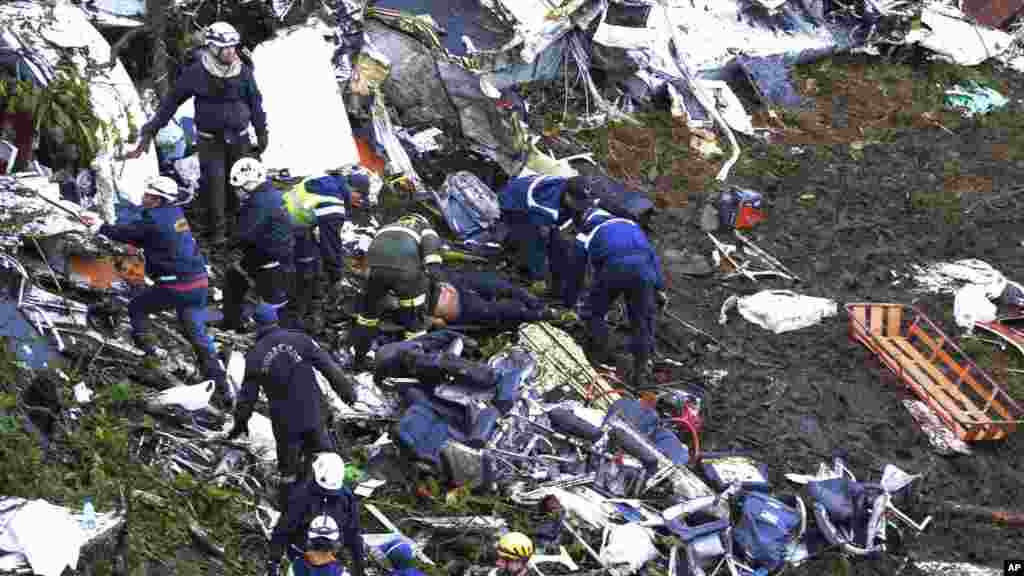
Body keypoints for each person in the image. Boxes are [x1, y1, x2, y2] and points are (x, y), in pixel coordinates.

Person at [125, 21, 268, 245]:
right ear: (212, 47)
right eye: (225, 48)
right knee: (215, 184)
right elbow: (171, 103)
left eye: (233, 47)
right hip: (210, 141)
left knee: (241, 183)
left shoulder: (243, 71)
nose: (231, 52)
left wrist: (261, 132)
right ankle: (218, 233)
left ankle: (240, 230)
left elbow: (255, 103)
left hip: (239, 138)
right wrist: (151, 130)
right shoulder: (197, 73)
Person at [79, 176, 225, 389]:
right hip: (199, 283)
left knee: (137, 307)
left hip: (176, 286)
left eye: (148, 195)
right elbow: (144, 236)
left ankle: (150, 353)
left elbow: (128, 233)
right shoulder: (175, 213)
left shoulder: (154, 221)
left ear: (158, 200)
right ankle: (220, 383)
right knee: (197, 334)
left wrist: (100, 226)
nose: (143, 197)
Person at [227, 304, 356, 507]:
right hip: (314, 413)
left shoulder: (255, 355)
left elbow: (247, 397)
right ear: (276, 320)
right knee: (327, 457)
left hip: (286, 424)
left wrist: (240, 424)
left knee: (288, 471)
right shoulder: (300, 340)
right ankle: (340, 501)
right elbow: (329, 367)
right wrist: (347, 392)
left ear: (255, 325)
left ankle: (288, 508)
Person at [565, 206, 668, 389]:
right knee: (641, 322)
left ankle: (601, 354)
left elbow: (576, 272)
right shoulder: (631, 225)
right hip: (644, 271)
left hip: (614, 269)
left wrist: (569, 302)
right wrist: (659, 287)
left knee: (593, 313)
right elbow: (652, 256)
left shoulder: (587, 232)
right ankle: (641, 372)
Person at [347, 213, 442, 369]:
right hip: (406, 275)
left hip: (374, 272)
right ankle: (414, 366)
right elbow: (433, 267)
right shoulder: (426, 230)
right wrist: (430, 310)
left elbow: (360, 252)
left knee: (367, 319)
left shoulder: (386, 227)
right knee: (414, 325)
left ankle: (358, 361)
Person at [279, 172, 367, 325]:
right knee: (304, 270)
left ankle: (299, 304)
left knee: (310, 259)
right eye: (360, 197)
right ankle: (293, 313)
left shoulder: (327, 180)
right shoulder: (333, 203)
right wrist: (336, 276)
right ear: (353, 190)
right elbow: (330, 245)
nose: (358, 202)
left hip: (283, 214)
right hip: (284, 228)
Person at [222, 157, 295, 331]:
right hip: (272, 253)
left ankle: (274, 335)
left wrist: (229, 245)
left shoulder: (258, 202)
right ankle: (233, 322)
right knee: (235, 278)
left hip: (268, 258)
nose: (237, 192)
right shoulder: (271, 193)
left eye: (238, 188)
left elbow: (243, 232)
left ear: (248, 185)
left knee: (271, 305)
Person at [267, 452, 365, 576]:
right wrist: (359, 565)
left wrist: (274, 561)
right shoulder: (345, 497)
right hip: (307, 556)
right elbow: (354, 534)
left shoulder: (303, 494)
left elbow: (284, 529)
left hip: (315, 556)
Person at [497, 174, 587, 300]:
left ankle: (558, 285)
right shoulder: (546, 203)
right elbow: (539, 242)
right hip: (514, 203)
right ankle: (522, 268)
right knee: (532, 238)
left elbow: (577, 215)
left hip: (536, 202)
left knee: (558, 244)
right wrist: (539, 276)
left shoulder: (572, 189)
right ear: (567, 195)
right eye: (576, 202)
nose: (579, 206)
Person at [426, 271, 577, 329]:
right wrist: (431, 320)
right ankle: (548, 315)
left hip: (455, 282)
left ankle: (539, 305)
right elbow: (419, 323)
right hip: (458, 306)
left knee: (504, 287)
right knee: (505, 311)